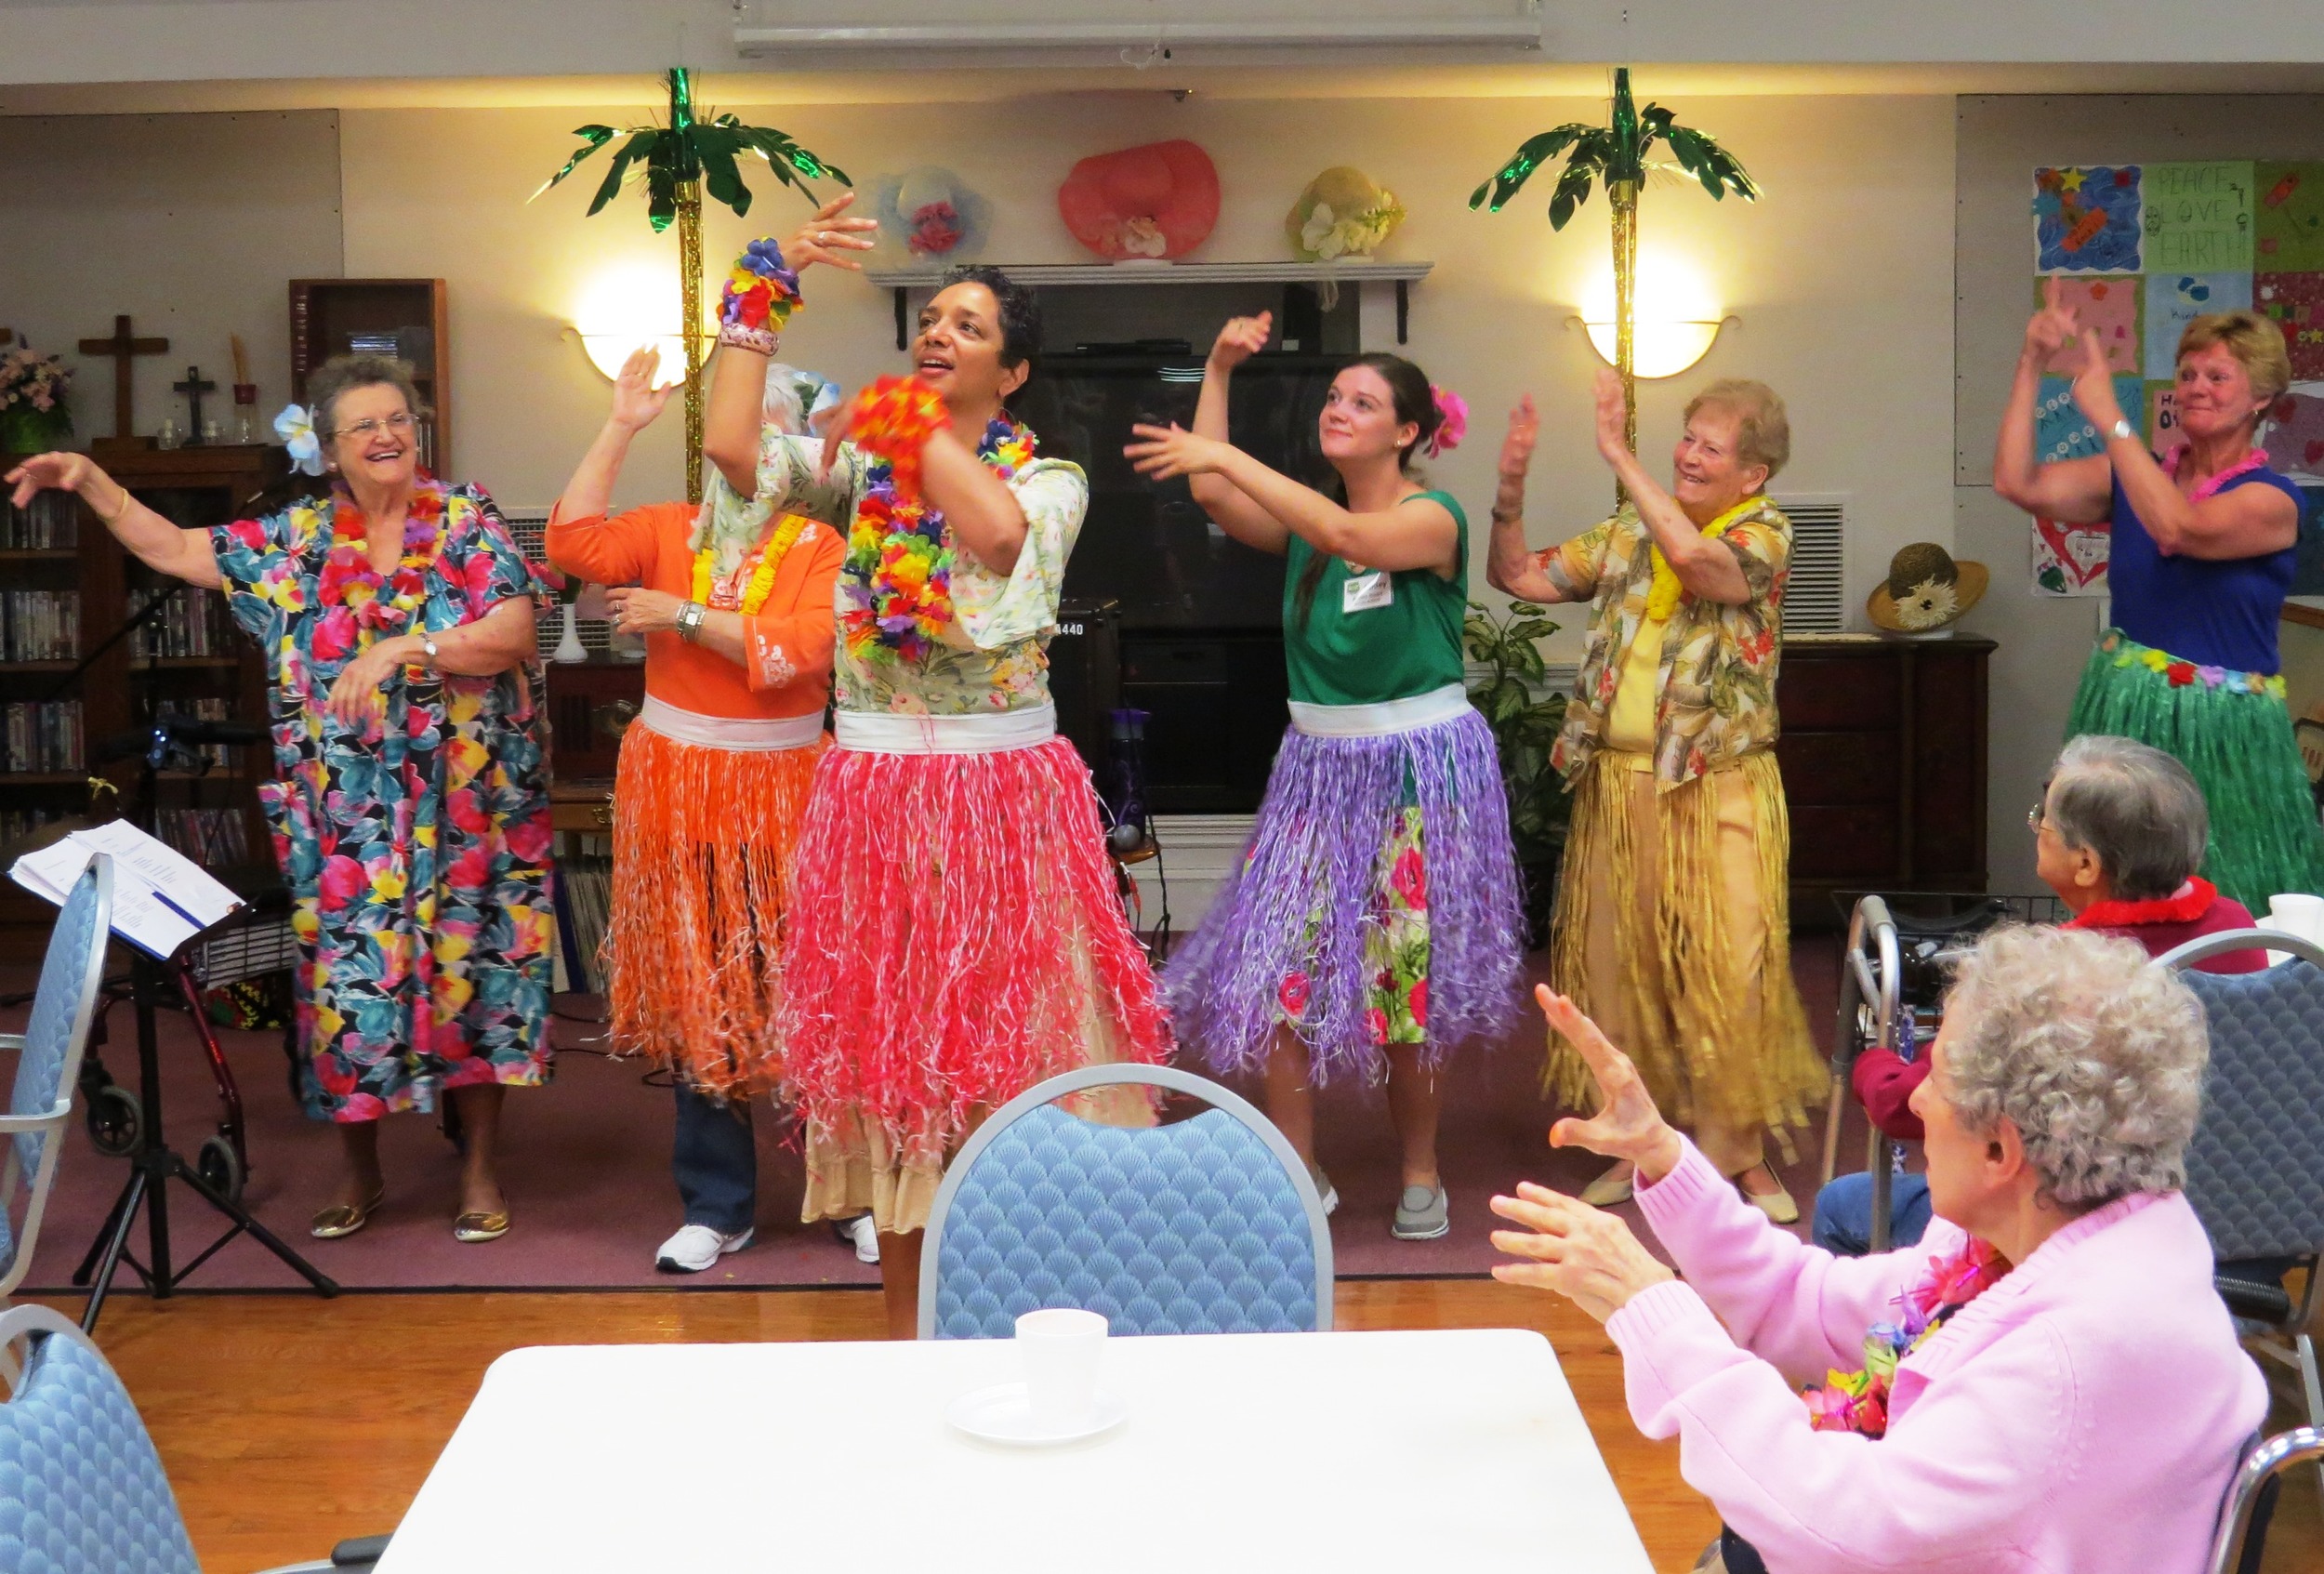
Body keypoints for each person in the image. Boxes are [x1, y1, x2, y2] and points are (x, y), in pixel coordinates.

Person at [702, 241, 1171, 1337]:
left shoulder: (1048, 479)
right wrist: (760, 285)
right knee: (901, 1079)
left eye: (968, 327)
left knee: (1020, 1063)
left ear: (1011, 376)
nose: (937, 336)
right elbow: (729, 445)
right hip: (874, 801)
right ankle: (910, 1340)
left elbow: (1000, 540)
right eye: (932, 321)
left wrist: (899, 420)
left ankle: (1058, 1322)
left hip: (1001, 802)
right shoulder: (863, 474)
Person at [1491, 929, 2264, 1574]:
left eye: (1938, 1072)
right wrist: (1665, 1155)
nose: (1916, 1095)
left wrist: (1650, 1307)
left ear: (2001, 1149)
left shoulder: (2067, 1358)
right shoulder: (2056, 1234)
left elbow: (1838, 1526)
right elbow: (1806, 1302)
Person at [7, 356, 552, 1243]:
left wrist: (403, 646)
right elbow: (179, 549)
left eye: (399, 419)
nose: (387, 435)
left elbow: (513, 630)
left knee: (475, 982)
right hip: (346, 820)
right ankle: (360, 1167)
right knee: (348, 994)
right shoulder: (294, 540)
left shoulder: (464, 520)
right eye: (364, 425)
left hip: (468, 810)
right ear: (329, 451)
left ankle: (481, 1166)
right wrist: (92, 480)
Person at [1127, 311, 1524, 1240]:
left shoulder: (1433, 518)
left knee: (1402, 990)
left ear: (1409, 431)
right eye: (1334, 397)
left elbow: (1350, 533)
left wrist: (1225, 458)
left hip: (1412, 778)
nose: (1339, 409)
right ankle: (1294, 1165)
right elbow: (1215, 490)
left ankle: (1420, 1169)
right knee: (1279, 980)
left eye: (1364, 401)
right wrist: (1218, 365)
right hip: (1316, 776)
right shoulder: (1310, 525)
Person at [545, 201, 861, 1276]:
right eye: (748, 435)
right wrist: (622, 422)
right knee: (699, 985)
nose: (758, 455)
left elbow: (801, 653)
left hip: (790, 789)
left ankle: (845, 1188)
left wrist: (686, 620)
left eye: (782, 436)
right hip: (679, 782)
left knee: (809, 984)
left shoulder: (823, 544)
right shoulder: (669, 528)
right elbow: (572, 542)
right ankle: (717, 1202)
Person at [1487, 369, 1821, 1223]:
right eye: (1687, 437)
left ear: (1753, 473)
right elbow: (1520, 576)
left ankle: (1732, 1156)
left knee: (1729, 970)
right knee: (1616, 971)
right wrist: (1509, 492)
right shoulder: (1629, 532)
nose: (1688, 455)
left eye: (1710, 446)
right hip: (1620, 787)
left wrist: (1615, 452)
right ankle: (1641, 1147)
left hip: (1721, 788)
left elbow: (1700, 564)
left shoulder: (1767, 533)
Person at [1814, 732, 2265, 1254]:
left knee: (1841, 1203)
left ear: (2087, 865)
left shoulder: (2053, 980)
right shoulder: (2239, 928)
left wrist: (1875, 1061)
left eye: (2041, 821)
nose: (2035, 828)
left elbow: (1903, 1109)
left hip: (2078, 1244)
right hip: (2234, 1230)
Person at [1995, 287, 2324, 911]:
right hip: (2126, 711)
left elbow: (2180, 530)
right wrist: (2031, 362)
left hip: (2226, 732)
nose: (2196, 386)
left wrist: (2110, 418)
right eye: (2188, 373)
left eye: (2218, 375)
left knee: (2232, 888)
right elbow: (2018, 481)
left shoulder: (2273, 500)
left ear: (2262, 398)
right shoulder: (2136, 474)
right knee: (2117, 882)